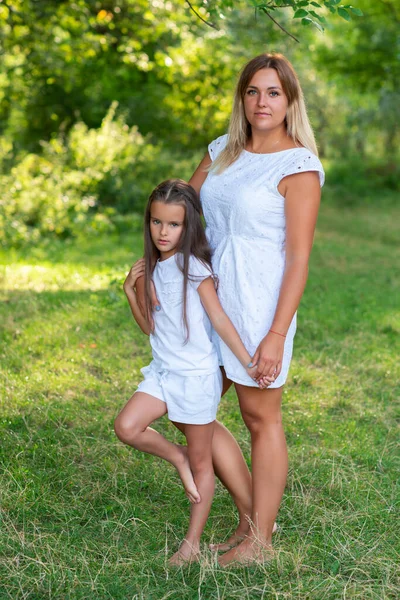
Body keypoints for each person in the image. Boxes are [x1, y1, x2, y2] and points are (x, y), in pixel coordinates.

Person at [183, 52, 325, 565]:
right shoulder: (222, 150)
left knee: (259, 416)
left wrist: (275, 333)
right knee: (189, 404)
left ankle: (260, 541)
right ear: (241, 98)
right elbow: (183, 210)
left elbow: (299, 257)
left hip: (258, 306)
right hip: (207, 301)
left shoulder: (298, 166)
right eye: (252, 91)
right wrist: (150, 263)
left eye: (272, 93)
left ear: (289, 101)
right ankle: (249, 517)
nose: (261, 102)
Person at [114, 179, 264, 566]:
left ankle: (191, 543)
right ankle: (177, 457)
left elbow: (220, 319)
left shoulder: (192, 268)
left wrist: (249, 362)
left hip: (195, 379)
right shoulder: (153, 268)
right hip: (163, 374)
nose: (163, 232)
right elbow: (150, 327)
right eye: (157, 223)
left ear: (188, 227)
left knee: (203, 465)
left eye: (174, 225)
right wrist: (132, 292)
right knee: (127, 427)